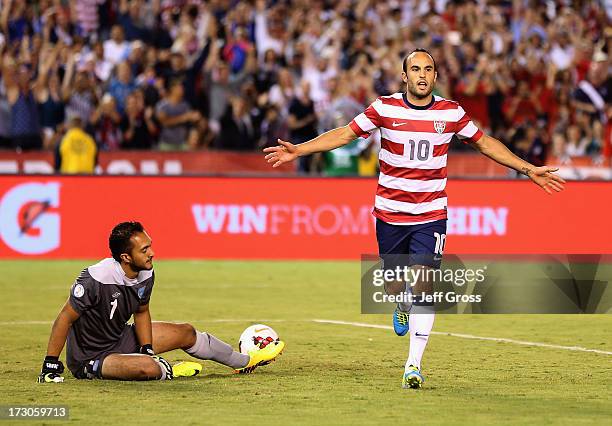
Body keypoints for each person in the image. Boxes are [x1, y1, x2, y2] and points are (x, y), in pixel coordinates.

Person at [263, 49, 565, 390]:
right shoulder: (384, 108)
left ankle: (413, 365)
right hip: (390, 214)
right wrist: (299, 150)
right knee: (395, 285)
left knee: (424, 282)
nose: (422, 74)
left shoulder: (451, 113)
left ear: (435, 76)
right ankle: (400, 302)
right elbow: (346, 134)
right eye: (415, 69)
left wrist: (527, 169)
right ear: (404, 76)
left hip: (431, 214)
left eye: (429, 69)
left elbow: (485, 144)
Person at [37, 221, 285, 383]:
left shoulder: (146, 273)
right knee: (148, 368)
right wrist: (50, 363)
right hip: (91, 357)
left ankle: (245, 361)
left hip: (120, 338)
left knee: (186, 332)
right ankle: (167, 369)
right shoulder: (95, 278)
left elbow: (142, 312)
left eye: (150, 246)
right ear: (126, 257)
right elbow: (65, 318)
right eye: (144, 250)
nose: (152, 253)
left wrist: (146, 346)